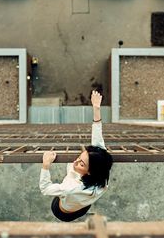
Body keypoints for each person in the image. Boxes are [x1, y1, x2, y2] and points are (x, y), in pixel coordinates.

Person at [39, 90, 113, 222]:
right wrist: (96, 108)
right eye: (80, 157)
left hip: (62, 211)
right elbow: (97, 137)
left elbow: (45, 189)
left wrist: (46, 165)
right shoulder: (102, 173)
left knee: (65, 194)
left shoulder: (69, 188)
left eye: (81, 164)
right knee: (80, 199)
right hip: (83, 205)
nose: (76, 161)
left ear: (89, 172)